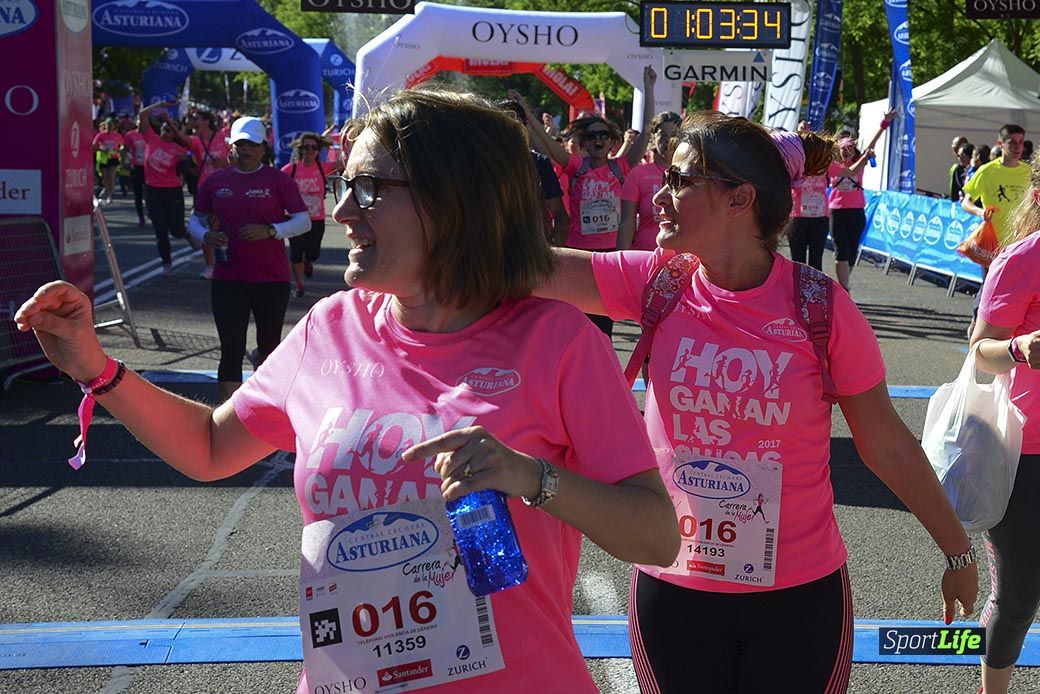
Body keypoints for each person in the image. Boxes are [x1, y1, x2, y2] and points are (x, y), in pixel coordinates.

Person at [15, 86, 679, 693]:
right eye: (342, 185)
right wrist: (96, 369)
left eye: (366, 189)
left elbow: (656, 536)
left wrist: (533, 478)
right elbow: (209, 448)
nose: (338, 211)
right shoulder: (330, 326)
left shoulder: (557, 342)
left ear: (454, 200)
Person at [536, 111, 978, 693]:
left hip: (798, 598)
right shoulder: (657, 282)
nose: (660, 196)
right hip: (674, 591)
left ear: (740, 198)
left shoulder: (819, 308)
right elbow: (522, 270)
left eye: (680, 179)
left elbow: (887, 445)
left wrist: (957, 554)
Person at [513, 65, 657, 337]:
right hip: (580, 253)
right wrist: (526, 113)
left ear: (613, 141)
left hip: (610, 256)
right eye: (591, 136)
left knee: (603, 329)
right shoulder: (575, 166)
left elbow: (647, 132)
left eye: (604, 135)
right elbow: (545, 142)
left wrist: (648, 88)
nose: (598, 139)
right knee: (575, 326)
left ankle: (600, 376)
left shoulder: (621, 167)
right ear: (584, 143)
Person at [969, 152, 1040, 694]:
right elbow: (979, 353)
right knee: (1020, 596)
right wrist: (1018, 348)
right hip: (1025, 453)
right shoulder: (1021, 259)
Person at [187, 117, 311, 400]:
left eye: (251, 145)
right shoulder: (216, 181)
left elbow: (303, 222)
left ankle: (264, 409)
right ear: (231, 146)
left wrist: (271, 230)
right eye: (240, 144)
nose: (245, 150)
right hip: (229, 279)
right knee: (230, 348)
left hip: (271, 278)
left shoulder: (278, 180)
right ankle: (228, 416)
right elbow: (195, 221)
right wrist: (206, 235)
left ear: (262, 147)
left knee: (269, 348)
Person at [827, 109, 898, 292]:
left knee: (851, 253)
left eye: (850, 148)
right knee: (841, 251)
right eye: (844, 149)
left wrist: (885, 124)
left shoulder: (861, 159)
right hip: (837, 210)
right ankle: (845, 289)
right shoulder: (833, 165)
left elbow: (872, 143)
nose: (848, 152)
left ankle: (844, 283)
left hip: (857, 210)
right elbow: (849, 171)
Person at [499, 99, 570, 246]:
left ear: (525, 127)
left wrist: (555, 253)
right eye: (503, 124)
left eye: (515, 125)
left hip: (533, 249)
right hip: (494, 249)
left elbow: (560, 215)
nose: (510, 131)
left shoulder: (539, 163)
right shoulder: (483, 165)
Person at [138, 101, 193, 276]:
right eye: (165, 127)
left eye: (171, 129)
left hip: (172, 191)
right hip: (153, 191)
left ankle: (186, 232)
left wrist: (172, 124)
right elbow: (143, 115)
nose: (167, 130)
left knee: (175, 231)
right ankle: (166, 262)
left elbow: (190, 152)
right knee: (160, 229)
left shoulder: (179, 149)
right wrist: (161, 105)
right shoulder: (151, 139)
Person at [281, 132, 335, 298]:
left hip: (316, 218)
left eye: (314, 147)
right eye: (306, 147)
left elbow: (346, 163)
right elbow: (275, 183)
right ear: (300, 150)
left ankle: (308, 261)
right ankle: (299, 285)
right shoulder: (291, 169)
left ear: (319, 150)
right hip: (294, 217)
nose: (309, 151)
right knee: (296, 251)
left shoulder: (323, 168)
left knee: (313, 252)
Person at [618, 111, 682, 251]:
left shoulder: (692, 174)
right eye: (662, 135)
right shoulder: (637, 174)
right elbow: (627, 224)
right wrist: (619, 260)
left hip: (683, 260)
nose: (668, 140)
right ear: (653, 138)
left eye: (673, 135)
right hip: (645, 258)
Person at [962, 124, 1029, 249]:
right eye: (1012, 142)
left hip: (1019, 243)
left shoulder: (1028, 172)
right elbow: (966, 203)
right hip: (992, 243)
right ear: (1000, 144)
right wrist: (981, 212)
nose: (1018, 147)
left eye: (1021, 142)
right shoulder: (987, 171)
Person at [191, 111, 231, 280]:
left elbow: (234, 159)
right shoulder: (194, 140)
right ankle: (210, 265)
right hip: (204, 190)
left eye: (197, 119)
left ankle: (228, 263)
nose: (193, 122)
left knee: (225, 227)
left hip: (225, 189)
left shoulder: (222, 137)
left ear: (207, 121)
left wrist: (222, 162)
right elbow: (180, 139)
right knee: (206, 226)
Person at [92, 118, 124, 205]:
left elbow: (122, 145)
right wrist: (101, 149)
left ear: (113, 126)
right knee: (105, 178)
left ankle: (110, 195)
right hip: (104, 159)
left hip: (113, 157)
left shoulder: (117, 135)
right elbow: (94, 145)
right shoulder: (101, 135)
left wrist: (119, 150)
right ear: (105, 125)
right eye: (107, 125)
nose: (109, 126)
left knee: (111, 177)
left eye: (111, 125)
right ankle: (106, 190)